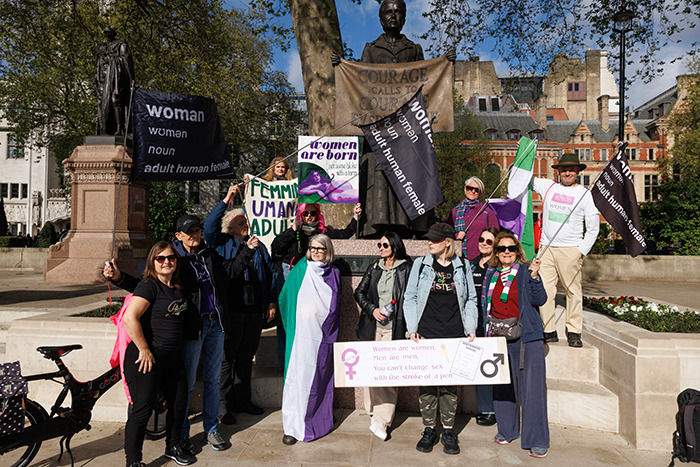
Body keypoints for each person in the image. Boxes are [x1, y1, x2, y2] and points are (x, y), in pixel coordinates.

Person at [104, 214, 258, 454]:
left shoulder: (208, 254)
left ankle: (211, 428)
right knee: (183, 387)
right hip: (191, 329)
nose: (195, 235)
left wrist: (247, 251)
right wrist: (119, 278)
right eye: (190, 232)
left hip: (215, 324)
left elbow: (230, 272)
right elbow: (148, 284)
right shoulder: (174, 260)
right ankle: (181, 433)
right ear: (178, 236)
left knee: (213, 380)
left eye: (197, 231)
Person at [331, 0, 454, 238]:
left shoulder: (414, 49)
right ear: (380, 18)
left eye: (399, 12)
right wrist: (342, 67)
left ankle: (410, 228)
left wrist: (445, 63)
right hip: (379, 131)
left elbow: (426, 83)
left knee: (411, 174)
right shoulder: (371, 49)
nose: (393, 16)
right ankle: (378, 227)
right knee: (382, 178)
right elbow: (359, 83)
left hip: (408, 132)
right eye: (389, 12)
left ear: (405, 17)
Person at [203, 185, 277, 424]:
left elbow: (269, 274)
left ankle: (243, 400)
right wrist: (227, 199)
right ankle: (224, 406)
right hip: (232, 310)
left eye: (246, 220)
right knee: (228, 359)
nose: (245, 223)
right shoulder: (221, 242)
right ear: (230, 227)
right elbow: (208, 226)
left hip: (254, 311)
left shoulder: (257, 245)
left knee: (246, 357)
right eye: (240, 221)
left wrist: (270, 301)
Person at [403, 222, 478, 455]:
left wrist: (470, 327)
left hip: (454, 334)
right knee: (427, 385)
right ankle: (428, 429)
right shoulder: (420, 264)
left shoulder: (462, 265)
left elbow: (470, 300)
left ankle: (447, 430)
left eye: (434, 240)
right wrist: (412, 327)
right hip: (426, 334)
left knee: (448, 387)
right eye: (429, 239)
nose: (429, 243)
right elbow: (411, 296)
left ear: (448, 243)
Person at [121, 241, 194, 466]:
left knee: (179, 404)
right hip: (147, 358)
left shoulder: (177, 288)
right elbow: (129, 318)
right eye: (160, 258)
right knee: (142, 412)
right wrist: (144, 349)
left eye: (170, 257)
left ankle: (173, 446)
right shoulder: (148, 286)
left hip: (172, 357)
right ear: (152, 262)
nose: (166, 262)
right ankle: (133, 461)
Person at [484, 231, 549, 458]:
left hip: (527, 338)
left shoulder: (525, 270)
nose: (507, 252)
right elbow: (486, 305)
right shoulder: (491, 274)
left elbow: (540, 300)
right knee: (502, 386)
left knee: (532, 390)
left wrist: (535, 277)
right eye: (502, 248)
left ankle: (537, 439)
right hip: (499, 337)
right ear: (496, 252)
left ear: (517, 250)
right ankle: (507, 430)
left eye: (511, 248)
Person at [531, 153, 599, 347]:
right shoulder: (548, 186)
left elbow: (593, 226)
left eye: (571, 169)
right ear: (558, 172)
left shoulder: (584, 194)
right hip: (547, 248)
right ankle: (548, 330)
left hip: (571, 248)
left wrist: (581, 250)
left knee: (573, 291)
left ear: (578, 172)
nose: (567, 172)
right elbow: (523, 177)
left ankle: (574, 331)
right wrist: (523, 154)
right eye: (563, 169)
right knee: (545, 291)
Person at [278, 234, 340, 444]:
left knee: (317, 379)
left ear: (327, 251)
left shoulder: (334, 274)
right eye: (312, 248)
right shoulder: (299, 270)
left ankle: (315, 420)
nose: (315, 251)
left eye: (320, 249)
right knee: (296, 380)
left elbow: (335, 308)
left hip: (320, 337)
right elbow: (285, 298)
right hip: (299, 338)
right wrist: (293, 324)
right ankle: (292, 426)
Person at [353, 231, 412, 441]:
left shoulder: (406, 268)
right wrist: (372, 308)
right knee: (371, 372)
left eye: (384, 245)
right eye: (379, 245)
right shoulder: (374, 267)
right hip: (373, 328)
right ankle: (373, 411)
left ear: (394, 247)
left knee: (387, 376)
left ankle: (382, 420)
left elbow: (412, 297)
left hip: (394, 328)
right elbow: (359, 292)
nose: (380, 248)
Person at [470, 227, 500, 427]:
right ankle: (485, 408)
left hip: (491, 324)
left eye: (489, 241)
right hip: (473, 324)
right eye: (482, 239)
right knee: (477, 366)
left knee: (490, 368)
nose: (483, 243)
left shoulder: (497, 267)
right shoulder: (470, 264)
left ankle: (492, 410)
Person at [447, 176, 500, 261]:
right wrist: (456, 236)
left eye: (476, 190)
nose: (473, 191)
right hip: (456, 258)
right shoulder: (455, 211)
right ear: (465, 189)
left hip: (479, 259)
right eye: (470, 188)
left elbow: (496, 235)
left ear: (480, 193)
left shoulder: (486, 211)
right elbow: (446, 235)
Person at [94, 25, 134, 136]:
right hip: (103, 80)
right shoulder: (102, 47)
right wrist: (96, 82)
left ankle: (120, 129)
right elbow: (98, 66)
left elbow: (126, 61)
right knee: (102, 104)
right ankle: (104, 130)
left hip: (117, 78)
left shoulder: (121, 44)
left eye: (108, 33)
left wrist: (111, 59)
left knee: (115, 99)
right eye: (105, 33)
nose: (107, 35)